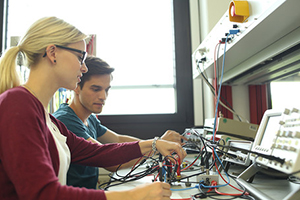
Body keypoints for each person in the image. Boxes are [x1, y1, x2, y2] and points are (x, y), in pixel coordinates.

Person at [0, 16, 187, 200]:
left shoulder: (48, 119)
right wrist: (132, 196)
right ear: (53, 53)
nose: (84, 68)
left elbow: (97, 153)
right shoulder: (17, 104)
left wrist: (154, 144)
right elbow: (43, 194)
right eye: (80, 57)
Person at [53, 55, 187, 189]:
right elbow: (110, 161)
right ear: (77, 86)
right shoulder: (65, 121)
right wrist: (155, 146)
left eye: (107, 90)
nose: (103, 97)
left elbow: (117, 139)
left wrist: (159, 144)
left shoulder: (89, 118)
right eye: (96, 89)